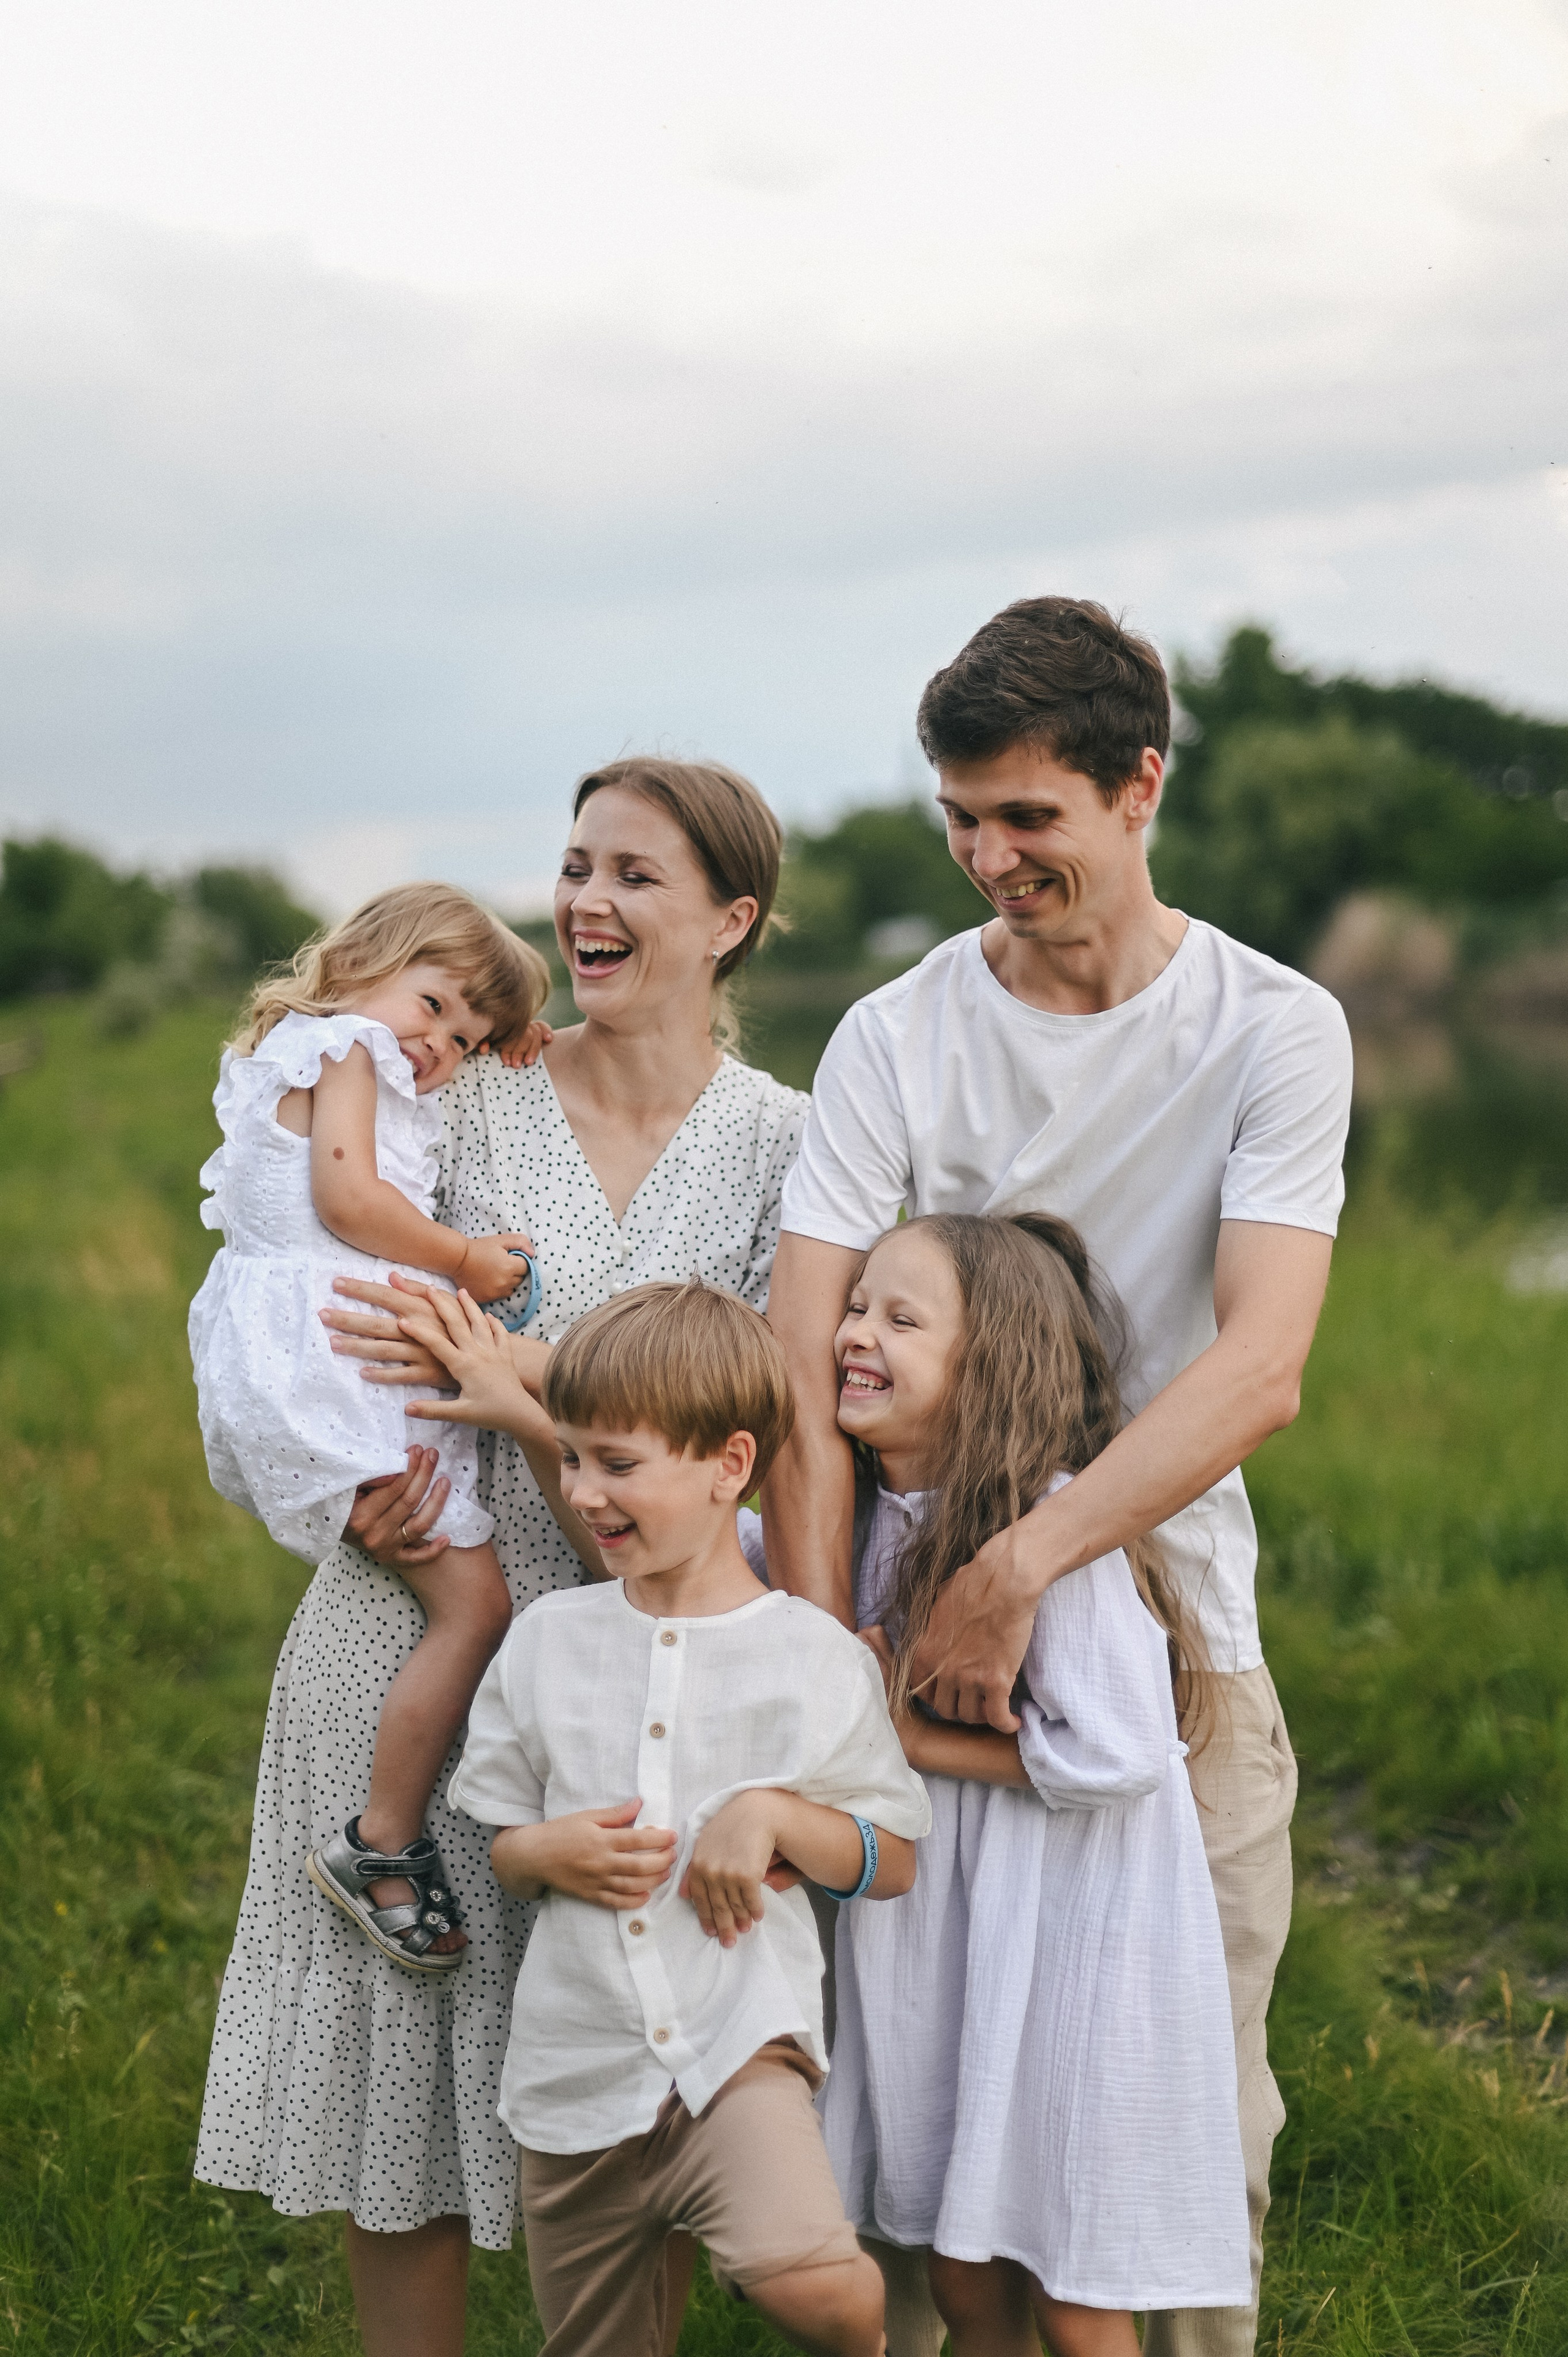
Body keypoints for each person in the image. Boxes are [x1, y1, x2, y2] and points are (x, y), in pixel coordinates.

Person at [765, 597, 1354, 2357]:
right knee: (932, 2140)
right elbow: (805, 1368)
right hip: (899, 1645)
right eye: (962, 817)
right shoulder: (895, 1034)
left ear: (1139, 787)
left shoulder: (1275, 1027)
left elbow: (1262, 1368)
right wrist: (819, 1675)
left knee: (1185, 2130)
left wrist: (1017, 1573)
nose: (987, 856)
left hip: (1159, 1636)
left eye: (1028, 816)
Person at [194, 760, 808, 2357]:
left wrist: (518, 1389)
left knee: (622, 2128)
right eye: (575, 865)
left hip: (637, 1679)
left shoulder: (782, 1147)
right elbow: (303, 1296)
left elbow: (752, 1438)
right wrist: (339, 1492)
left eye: (636, 877)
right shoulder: (449, 1092)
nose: (586, 903)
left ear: (733, 920)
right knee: (403, 2134)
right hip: (414, 1626)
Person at [447, 1278, 933, 2357]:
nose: (581, 1491)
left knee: (808, 2280)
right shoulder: (546, 1642)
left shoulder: (809, 1655)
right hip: (575, 2065)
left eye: (617, 1464)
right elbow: (502, 1845)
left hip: (734, 2052)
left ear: (731, 1466)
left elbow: (892, 1855)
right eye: (571, 1456)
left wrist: (772, 1816)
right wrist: (546, 1851)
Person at [820, 1212, 1248, 2357]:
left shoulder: (1054, 1529)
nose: (856, 1332)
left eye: (900, 1318)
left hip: (1070, 1942)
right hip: (962, 1943)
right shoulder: (853, 1519)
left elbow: (1119, 1753)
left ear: (991, 1366)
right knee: (964, 2274)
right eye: (855, 1304)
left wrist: (897, 1731)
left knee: (1074, 2285)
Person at [188, 883, 550, 1969]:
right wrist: (469, 1262)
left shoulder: (316, 1042)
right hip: (330, 1366)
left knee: (460, 1599)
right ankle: (381, 1841)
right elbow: (349, 1201)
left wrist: (507, 1027)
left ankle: (390, 1831)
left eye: (468, 1038)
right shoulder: (347, 1045)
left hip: (298, 1360)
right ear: (365, 959)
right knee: (475, 1606)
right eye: (434, 1006)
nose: (439, 1046)